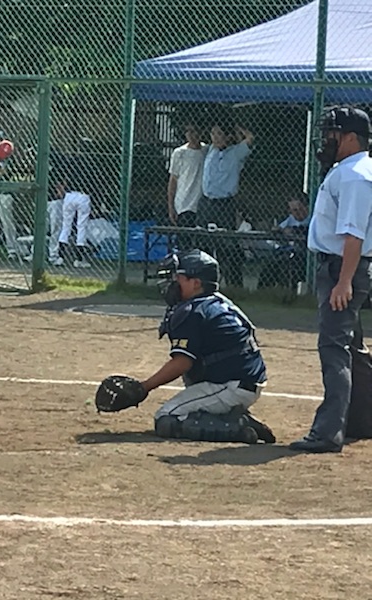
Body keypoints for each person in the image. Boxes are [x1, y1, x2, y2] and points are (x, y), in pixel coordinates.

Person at [290, 107, 372, 453]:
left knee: (334, 348)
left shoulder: (355, 175)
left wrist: (344, 281)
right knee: (351, 349)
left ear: (351, 137)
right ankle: (361, 420)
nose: (326, 140)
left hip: (343, 268)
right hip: (343, 267)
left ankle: (327, 432)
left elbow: (353, 234)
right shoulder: (348, 169)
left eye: (332, 134)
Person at [140, 249, 274, 444]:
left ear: (196, 283)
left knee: (167, 418)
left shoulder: (193, 311)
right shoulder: (217, 302)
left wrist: (144, 387)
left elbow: (182, 363)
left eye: (178, 277)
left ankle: (237, 428)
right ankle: (231, 416)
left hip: (230, 385)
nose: (172, 282)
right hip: (242, 381)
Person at [200, 122, 255, 286]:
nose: (215, 138)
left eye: (219, 134)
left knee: (226, 244)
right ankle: (206, 281)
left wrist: (238, 127)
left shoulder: (236, 153)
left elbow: (250, 138)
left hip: (224, 204)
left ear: (227, 136)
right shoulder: (210, 150)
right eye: (213, 134)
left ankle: (233, 283)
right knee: (204, 242)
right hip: (207, 202)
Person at [167, 123, 206, 250]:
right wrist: (171, 206)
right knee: (184, 242)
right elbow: (173, 180)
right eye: (188, 131)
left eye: (195, 131)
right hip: (184, 204)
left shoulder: (207, 150)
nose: (191, 135)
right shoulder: (179, 153)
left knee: (202, 242)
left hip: (202, 204)